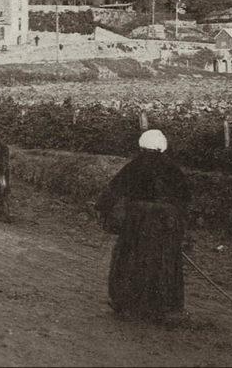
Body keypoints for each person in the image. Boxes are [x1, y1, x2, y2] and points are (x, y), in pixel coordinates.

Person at [94, 129, 191, 321]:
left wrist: (102, 209)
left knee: (130, 257)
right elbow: (185, 198)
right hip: (167, 223)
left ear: (142, 146)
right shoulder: (173, 169)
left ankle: (128, 305)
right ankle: (165, 307)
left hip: (139, 220)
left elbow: (113, 190)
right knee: (165, 260)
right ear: (162, 147)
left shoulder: (135, 166)